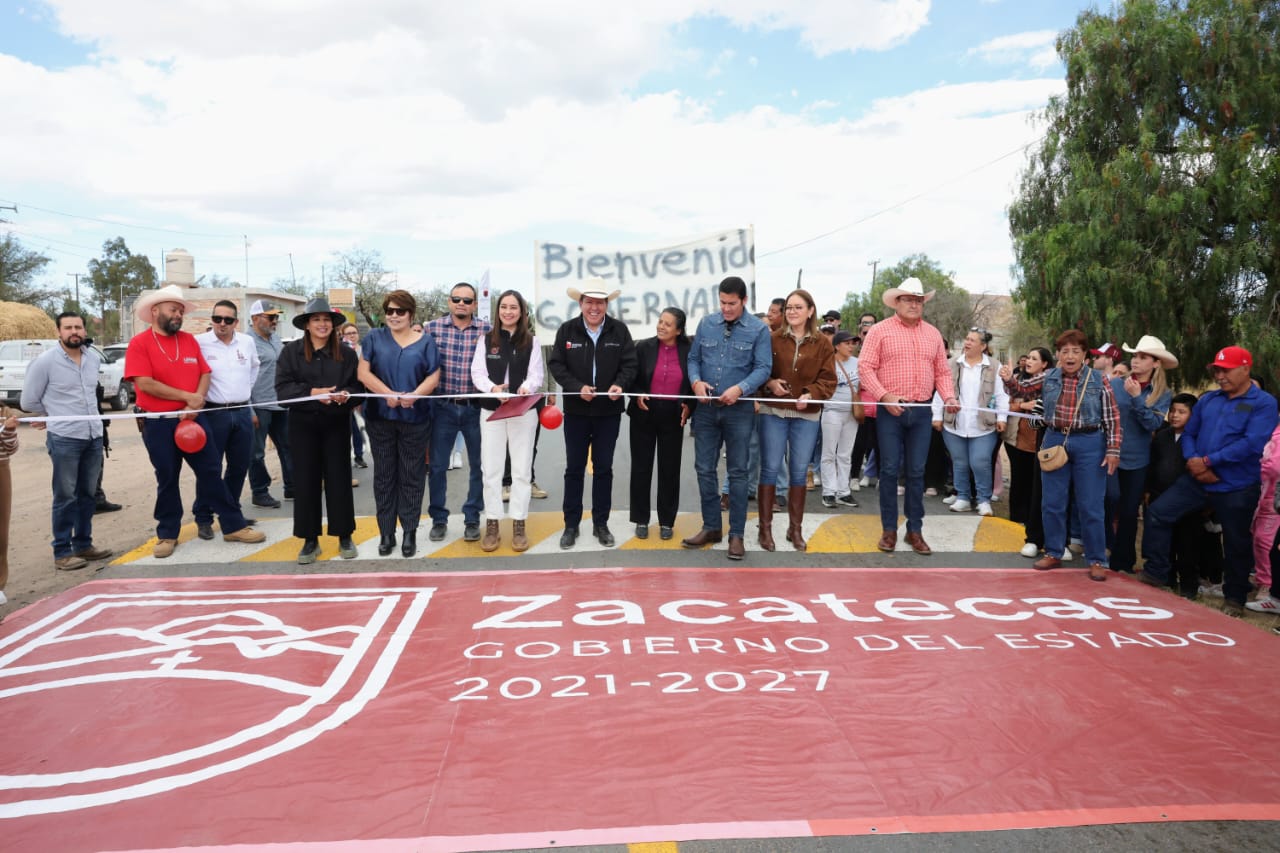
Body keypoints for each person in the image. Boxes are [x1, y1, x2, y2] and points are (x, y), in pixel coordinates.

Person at [124, 285, 266, 558]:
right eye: (172, 310)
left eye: (180, 310)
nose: (178, 314)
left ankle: (232, 525)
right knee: (167, 476)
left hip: (194, 420)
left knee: (211, 471)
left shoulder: (189, 341)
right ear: (155, 312)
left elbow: (205, 372)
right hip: (159, 423)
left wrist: (197, 399)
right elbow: (144, 383)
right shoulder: (139, 344)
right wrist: (187, 397)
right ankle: (167, 534)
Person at [1139, 346, 1279, 616]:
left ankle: (1234, 598)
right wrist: (1195, 461)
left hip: (1236, 485)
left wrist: (1208, 462)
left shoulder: (1263, 403)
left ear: (1245, 369)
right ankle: (1157, 571)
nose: (1219, 375)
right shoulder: (1208, 400)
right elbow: (1190, 433)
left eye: (1225, 370)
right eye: (1216, 369)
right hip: (1198, 479)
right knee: (1158, 513)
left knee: (1236, 541)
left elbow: (1252, 443)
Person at [1002, 329, 1122, 581]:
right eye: (1065, 351)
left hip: (1090, 442)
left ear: (1084, 355)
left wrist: (1112, 450)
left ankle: (1097, 558)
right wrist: (1007, 378)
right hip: (1055, 439)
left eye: (1075, 351)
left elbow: (1112, 417)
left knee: (1091, 505)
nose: (1070, 356)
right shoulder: (1049, 376)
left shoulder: (1099, 380)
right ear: (1057, 355)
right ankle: (1054, 551)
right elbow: (1021, 390)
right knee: (1052, 502)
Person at [858, 278, 959, 556]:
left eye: (918, 300)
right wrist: (884, 396)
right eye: (908, 299)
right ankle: (889, 530)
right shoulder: (879, 331)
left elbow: (942, 371)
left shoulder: (933, 334)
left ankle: (915, 530)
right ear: (897, 302)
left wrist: (948, 396)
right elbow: (865, 368)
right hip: (890, 410)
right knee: (889, 470)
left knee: (917, 472)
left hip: (923, 410)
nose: (914, 304)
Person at [683, 276, 772, 560]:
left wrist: (740, 389)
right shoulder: (706, 323)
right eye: (722, 302)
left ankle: (737, 535)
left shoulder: (758, 330)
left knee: (737, 471)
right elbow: (693, 359)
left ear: (744, 301)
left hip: (739, 410)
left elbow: (763, 368)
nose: (726, 308)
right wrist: (696, 382)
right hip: (707, 409)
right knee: (704, 468)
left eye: (732, 303)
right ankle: (711, 527)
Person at [19, 312, 114, 570]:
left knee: (87, 495)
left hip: (93, 436)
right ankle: (62, 552)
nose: (75, 331)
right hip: (65, 438)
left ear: (84, 330)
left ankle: (83, 545)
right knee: (65, 496)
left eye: (78, 327)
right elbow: (28, 401)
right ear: (58, 332)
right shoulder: (45, 362)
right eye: (68, 327)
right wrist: (51, 416)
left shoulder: (93, 358)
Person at [547, 279, 637, 548]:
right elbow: (556, 364)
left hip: (608, 413)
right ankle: (570, 525)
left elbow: (630, 364)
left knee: (604, 469)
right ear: (581, 304)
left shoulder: (619, 331)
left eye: (600, 302)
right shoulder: (567, 330)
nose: (594, 307)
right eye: (589, 302)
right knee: (574, 468)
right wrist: (576, 387)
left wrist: (620, 384)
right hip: (576, 411)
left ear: (607, 305)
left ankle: (601, 524)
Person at [276, 297, 363, 564]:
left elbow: (359, 390)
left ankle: (344, 534)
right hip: (303, 426)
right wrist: (312, 393)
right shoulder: (291, 353)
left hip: (336, 424)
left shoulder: (347, 354)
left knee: (339, 479)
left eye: (326, 319)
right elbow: (282, 391)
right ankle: (309, 539)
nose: (322, 324)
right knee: (305, 481)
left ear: (333, 324)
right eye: (316, 320)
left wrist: (347, 395)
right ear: (307, 324)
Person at [358, 290, 440, 557]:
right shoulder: (374, 338)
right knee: (384, 475)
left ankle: (409, 532)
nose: (394, 316)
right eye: (389, 311)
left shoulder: (426, 342)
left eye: (400, 311)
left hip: (415, 419)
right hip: (380, 418)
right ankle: (386, 532)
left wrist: (415, 395)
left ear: (410, 314)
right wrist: (387, 394)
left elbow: (434, 377)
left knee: (412, 476)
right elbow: (363, 372)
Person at [757, 288, 836, 551]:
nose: (792, 311)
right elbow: (758, 370)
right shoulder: (771, 339)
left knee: (800, 472)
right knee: (769, 468)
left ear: (810, 311)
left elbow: (828, 381)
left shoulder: (823, 343)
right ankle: (765, 529)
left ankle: (795, 529)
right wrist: (769, 383)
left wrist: (810, 394)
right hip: (774, 413)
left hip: (807, 416)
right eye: (789, 307)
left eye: (798, 307)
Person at [471, 290, 544, 552]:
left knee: (522, 470)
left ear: (522, 312)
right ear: (497, 310)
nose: (508, 312)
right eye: (504, 307)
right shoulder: (486, 340)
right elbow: (477, 373)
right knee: (491, 469)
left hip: (523, 412)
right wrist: (493, 390)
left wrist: (525, 388)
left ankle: (518, 523)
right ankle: (492, 523)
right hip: (491, 412)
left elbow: (537, 374)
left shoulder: (532, 341)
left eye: (514, 307)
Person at [426, 282, 491, 542]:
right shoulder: (432, 329)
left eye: (467, 300)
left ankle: (472, 517)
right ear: (449, 302)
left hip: (476, 409)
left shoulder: (488, 331)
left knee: (479, 466)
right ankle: (439, 519)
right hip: (442, 408)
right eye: (457, 299)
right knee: (438, 467)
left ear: (475, 304)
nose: (461, 304)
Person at [1106, 335, 1176, 574]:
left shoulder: (1163, 393)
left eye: (1142, 357)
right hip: (1110, 453)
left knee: (1128, 512)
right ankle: (1102, 547)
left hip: (1138, 460)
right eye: (1135, 356)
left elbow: (1153, 425)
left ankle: (1122, 561)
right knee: (1109, 499)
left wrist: (1137, 398)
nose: (1135, 361)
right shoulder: (1115, 384)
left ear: (1155, 363)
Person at [192, 299, 260, 541]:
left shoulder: (247, 342)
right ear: (212, 320)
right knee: (210, 468)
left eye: (227, 320)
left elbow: (254, 368)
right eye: (217, 319)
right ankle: (203, 518)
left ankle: (231, 515)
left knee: (239, 467)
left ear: (236, 322)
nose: (222, 324)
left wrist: (244, 394)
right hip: (213, 413)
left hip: (241, 411)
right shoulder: (199, 343)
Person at [628, 307, 692, 541]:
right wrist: (637, 394)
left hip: (674, 416)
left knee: (669, 469)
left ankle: (667, 521)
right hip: (644, 413)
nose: (661, 326)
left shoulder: (689, 350)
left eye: (667, 324)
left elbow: (693, 383)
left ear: (679, 330)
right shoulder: (643, 347)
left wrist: (689, 406)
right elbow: (631, 378)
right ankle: (641, 519)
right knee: (641, 468)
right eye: (659, 321)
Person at [932, 328, 1009, 516]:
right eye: (967, 339)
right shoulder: (950, 364)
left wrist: (1002, 418)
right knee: (959, 462)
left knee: (980, 461)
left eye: (973, 340)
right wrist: (937, 416)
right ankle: (963, 498)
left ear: (983, 346)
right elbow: (940, 392)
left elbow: (1001, 394)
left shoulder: (994, 365)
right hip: (954, 425)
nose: (967, 343)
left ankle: (983, 500)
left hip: (984, 426)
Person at [1146, 393, 1208, 597]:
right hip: (1160, 494)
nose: (1174, 416)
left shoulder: (1200, 439)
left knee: (1187, 544)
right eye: (1172, 411)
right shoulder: (1162, 435)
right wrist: (1148, 490)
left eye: (1182, 412)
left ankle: (1189, 587)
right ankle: (1166, 579)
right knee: (1165, 543)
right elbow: (1153, 464)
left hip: (1187, 502)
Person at [1004, 347, 1052, 557]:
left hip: (1047, 442)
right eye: (1028, 357)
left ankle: (1054, 538)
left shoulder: (1052, 378)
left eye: (1035, 358)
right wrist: (1024, 403)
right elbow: (1015, 397)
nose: (1029, 361)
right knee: (1019, 480)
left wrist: (1034, 406)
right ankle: (1021, 524)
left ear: (1045, 365)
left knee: (1041, 488)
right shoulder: (1025, 380)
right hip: (1019, 437)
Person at [247, 300, 293, 508]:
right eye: (271, 317)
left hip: (281, 405)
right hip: (259, 406)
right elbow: (242, 377)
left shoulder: (276, 340)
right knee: (256, 452)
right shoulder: (246, 342)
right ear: (255, 318)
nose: (275, 321)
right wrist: (249, 408)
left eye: (276, 317)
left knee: (289, 447)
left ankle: (292, 488)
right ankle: (259, 492)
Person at [820, 330, 860, 508]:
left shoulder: (858, 363)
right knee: (829, 453)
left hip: (851, 413)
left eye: (853, 343)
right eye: (847, 343)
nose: (851, 346)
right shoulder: (827, 362)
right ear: (837, 346)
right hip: (832, 411)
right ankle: (829, 491)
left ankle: (844, 492)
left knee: (845, 454)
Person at [851, 311, 880, 487]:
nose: (867, 329)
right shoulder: (853, 349)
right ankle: (854, 476)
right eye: (864, 326)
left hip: (879, 405)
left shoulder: (882, 349)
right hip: (860, 406)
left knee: (879, 445)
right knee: (858, 444)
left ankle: (873, 476)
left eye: (871, 325)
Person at [340, 322, 368, 470]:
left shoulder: (364, 351)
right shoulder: (342, 351)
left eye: (354, 333)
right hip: (348, 396)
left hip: (364, 395)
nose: (352, 336)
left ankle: (359, 456)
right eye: (348, 333)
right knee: (351, 428)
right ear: (343, 336)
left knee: (361, 426)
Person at [0, 405, 15, 606]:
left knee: (1, 531)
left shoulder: (3, 412)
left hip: (1, 468)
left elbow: (12, 448)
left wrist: (9, 431)